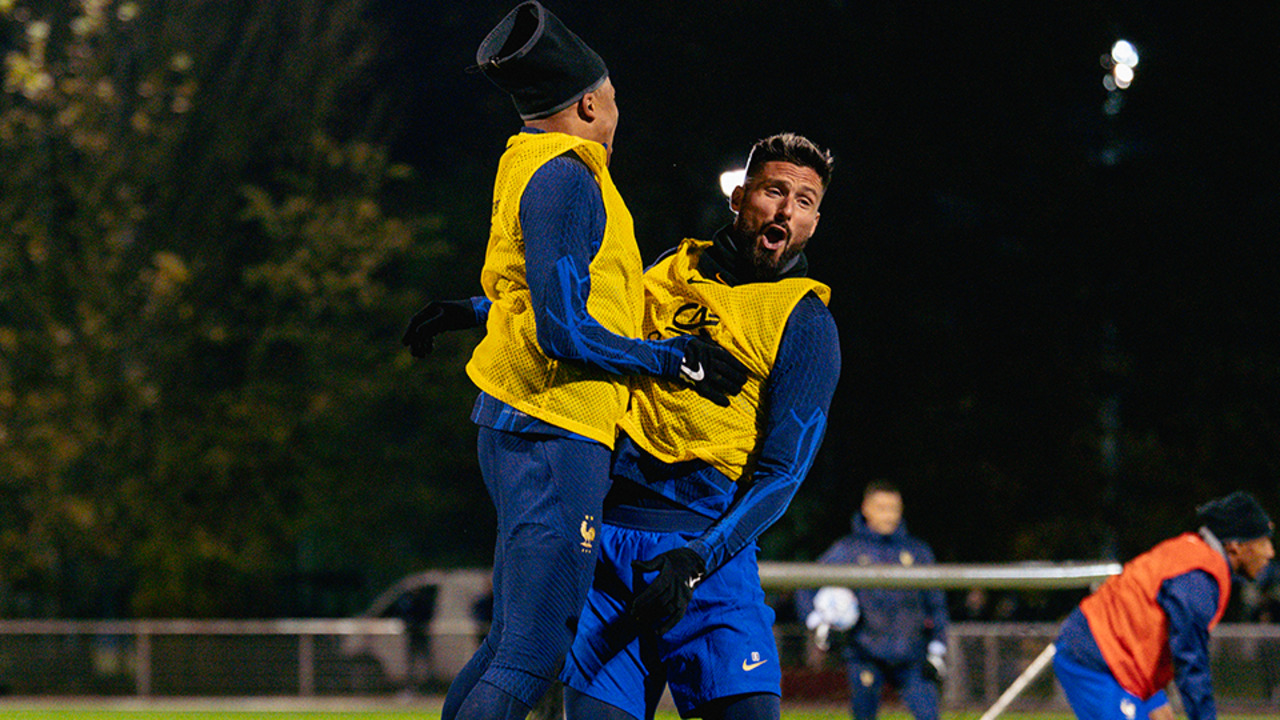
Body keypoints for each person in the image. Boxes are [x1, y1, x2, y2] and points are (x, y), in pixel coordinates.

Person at [400, 4, 747, 719]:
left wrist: (471, 312)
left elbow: (535, 302)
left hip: (521, 421)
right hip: (556, 427)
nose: (618, 105)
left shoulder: (527, 163)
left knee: (510, 641)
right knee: (535, 653)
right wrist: (672, 362)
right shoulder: (569, 176)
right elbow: (563, 331)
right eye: (613, 93)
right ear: (589, 102)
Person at [558, 133, 842, 720]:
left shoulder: (806, 321)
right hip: (609, 558)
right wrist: (478, 310)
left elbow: (783, 474)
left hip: (710, 563)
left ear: (815, 222)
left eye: (806, 201)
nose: (787, 209)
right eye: (775, 191)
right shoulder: (666, 270)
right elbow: (582, 330)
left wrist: (697, 559)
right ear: (740, 198)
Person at [1053, 490, 1275, 720]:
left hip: (1108, 654)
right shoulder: (1199, 575)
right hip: (1095, 659)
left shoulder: (1193, 555)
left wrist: (1154, 697)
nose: (1270, 552)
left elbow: (1150, 626)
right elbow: (1190, 657)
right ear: (1235, 546)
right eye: (1263, 541)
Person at [796, 480, 949, 720]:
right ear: (866, 508)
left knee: (930, 716)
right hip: (864, 653)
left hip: (912, 654)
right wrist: (816, 621)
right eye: (881, 507)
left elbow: (936, 602)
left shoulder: (918, 551)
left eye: (894, 508)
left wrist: (938, 645)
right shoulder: (847, 550)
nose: (888, 515)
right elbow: (806, 584)